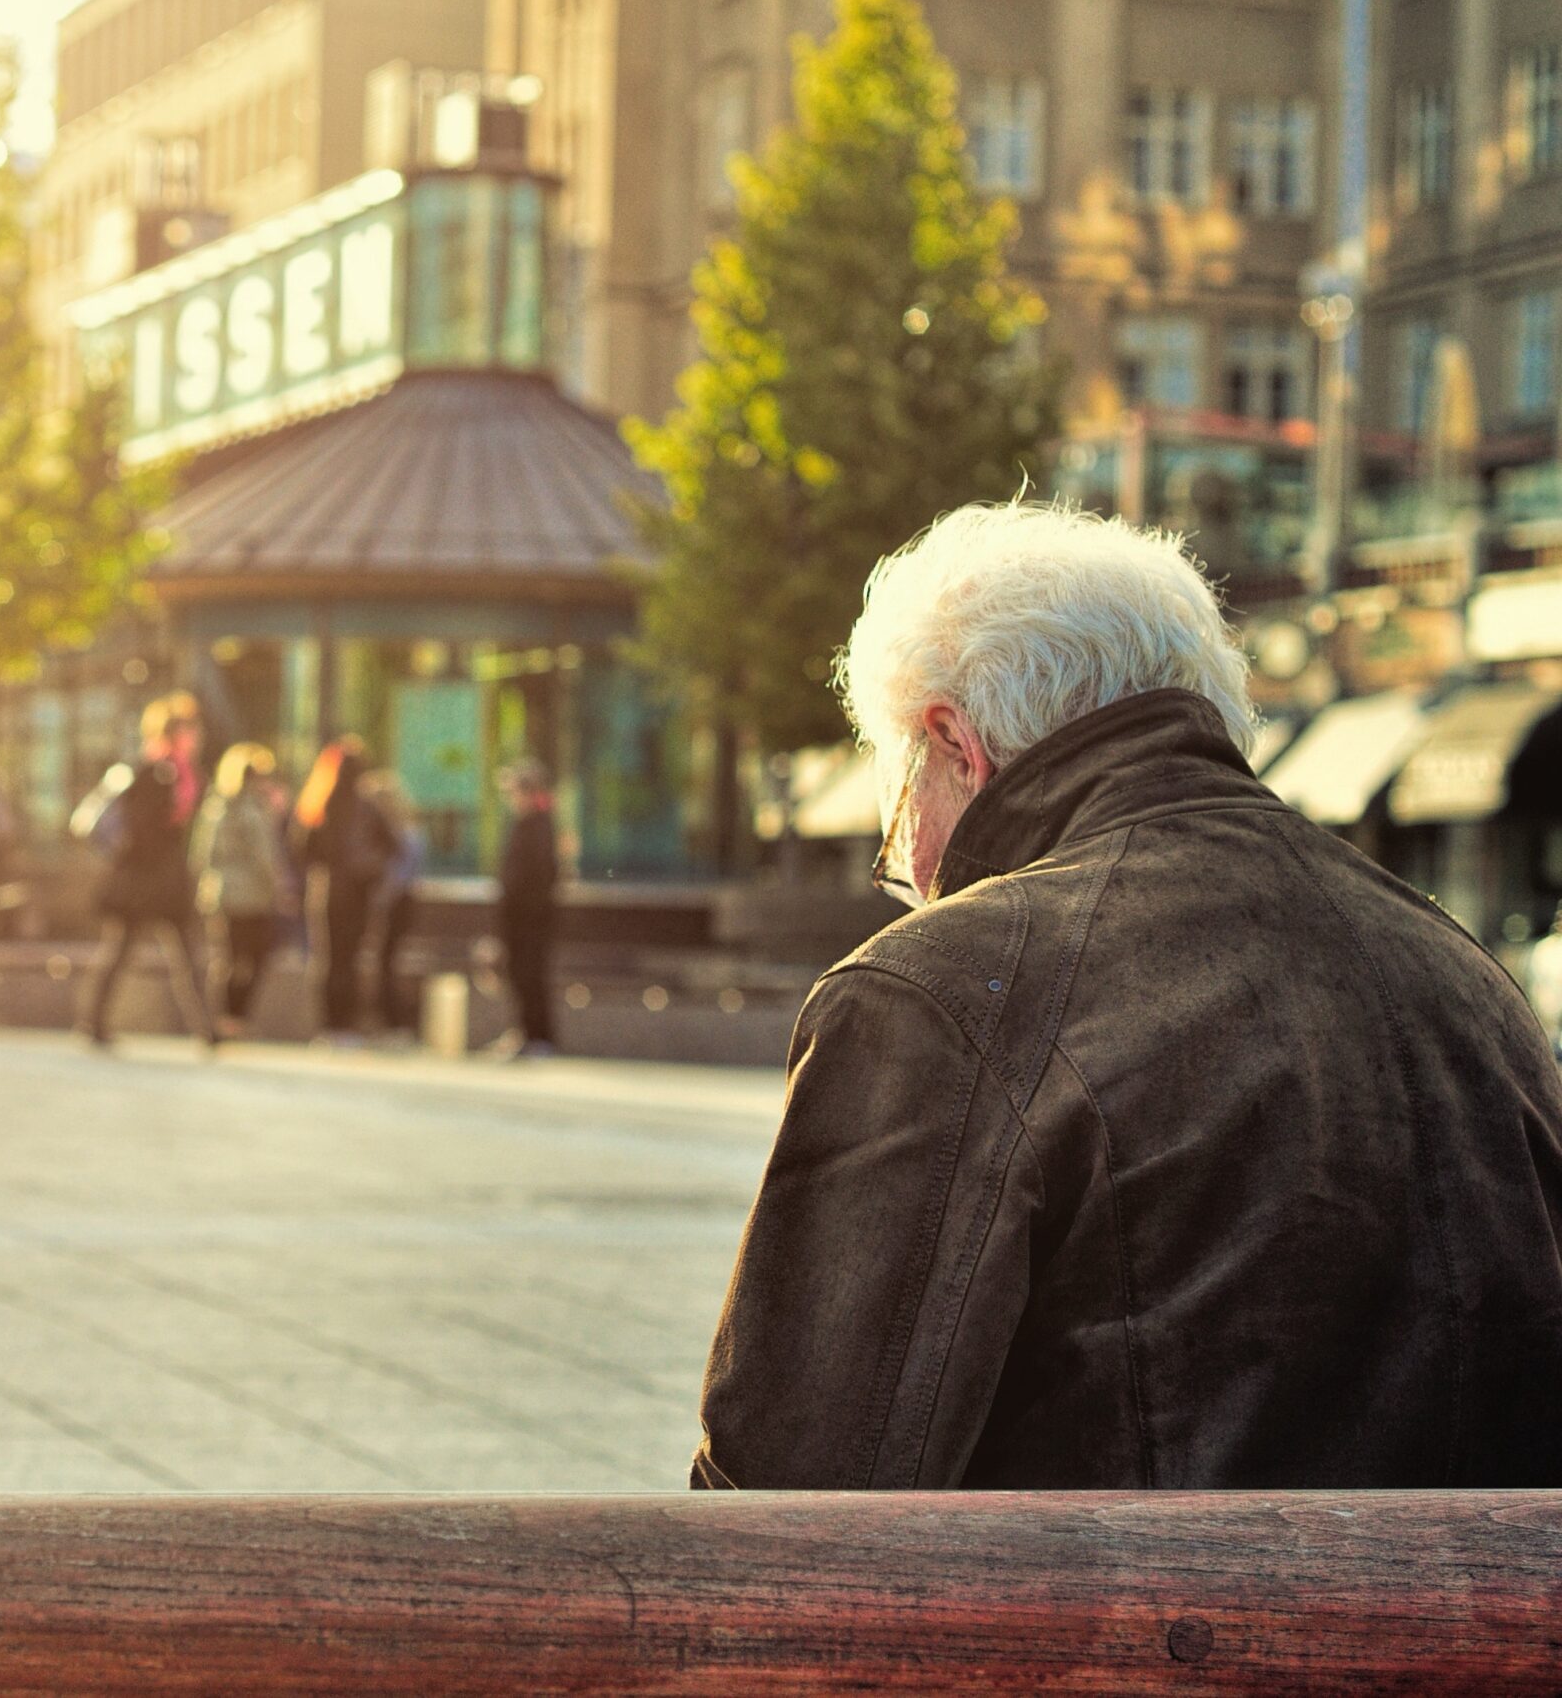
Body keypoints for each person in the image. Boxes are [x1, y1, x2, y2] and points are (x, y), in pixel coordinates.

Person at [695, 502, 1562, 1491]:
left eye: (896, 816)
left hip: (1111, 1641)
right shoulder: (1464, 974)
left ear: (954, 743)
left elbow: (787, 1498)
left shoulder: (941, 990)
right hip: (1486, 1642)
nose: (912, 869)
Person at [74, 694, 218, 1050]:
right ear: (175, 732)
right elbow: (142, 829)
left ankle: (207, 1029)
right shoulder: (153, 773)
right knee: (125, 951)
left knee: (185, 954)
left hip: (164, 881)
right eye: (190, 729)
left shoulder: (183, 774)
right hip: (144, 881)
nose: (196, 736)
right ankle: (92, 1022)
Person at [294, 738, 394, 1041]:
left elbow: (301, 849)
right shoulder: (363, 806)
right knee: (347, 958)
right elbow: (392, 845)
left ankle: (331, 1024)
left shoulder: (319, 802)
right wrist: (368, 868)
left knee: (331, 958)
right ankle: (342, 1024)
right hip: (354, 892)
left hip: (329, 891)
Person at [193, 741, 290, 1039]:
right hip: (252, 896)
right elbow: (265, 856)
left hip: (220, 893)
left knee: (230, 957)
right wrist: (281, 888)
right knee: (254, 957)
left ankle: (224, 1019)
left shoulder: (215, 806)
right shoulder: (251, 809)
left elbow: (200, 855)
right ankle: (234, 1019)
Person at [492, 760, 559, 1058]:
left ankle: (537, 1035)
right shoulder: (525, 825)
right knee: (519, 973)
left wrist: (523, 906)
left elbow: (538, 875)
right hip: (520, 914)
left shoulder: (539, 826)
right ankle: (526, 1032)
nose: (511, 798)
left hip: (530, 916)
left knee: (530, 973)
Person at [361, 769, 427, 1035]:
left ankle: (395, 1020)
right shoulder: (406, 832)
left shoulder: (403, 835)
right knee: (385, 960)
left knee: (388, 960)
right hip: (398, 901)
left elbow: (400, 875)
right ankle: (388, 1019)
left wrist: (379, 899)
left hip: (396, 903)